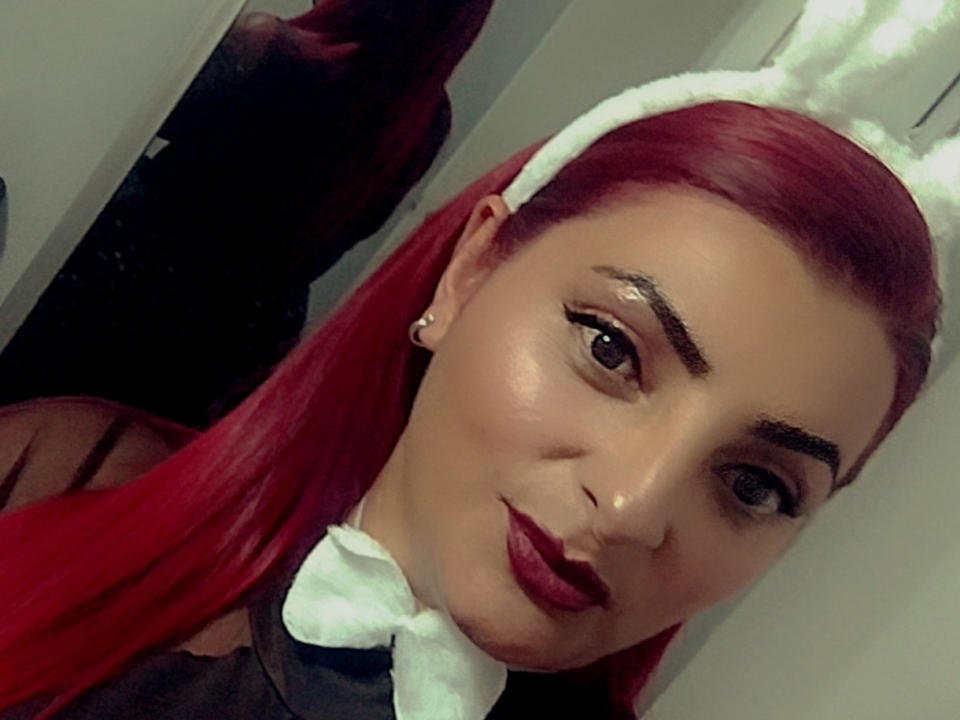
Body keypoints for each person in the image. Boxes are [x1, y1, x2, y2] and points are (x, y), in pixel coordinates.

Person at [0, 0, 953, 715]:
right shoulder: (46, 477)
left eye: (756, 486)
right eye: (611, 348)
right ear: (468, 273)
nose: (632, 506)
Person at [0, 0, 493, 428]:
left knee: (25, 415)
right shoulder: (425, 119)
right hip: (241, 329)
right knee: (86, 460)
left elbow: (125, 112)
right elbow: (346, 233)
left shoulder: (269, 45)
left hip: (134, 271)